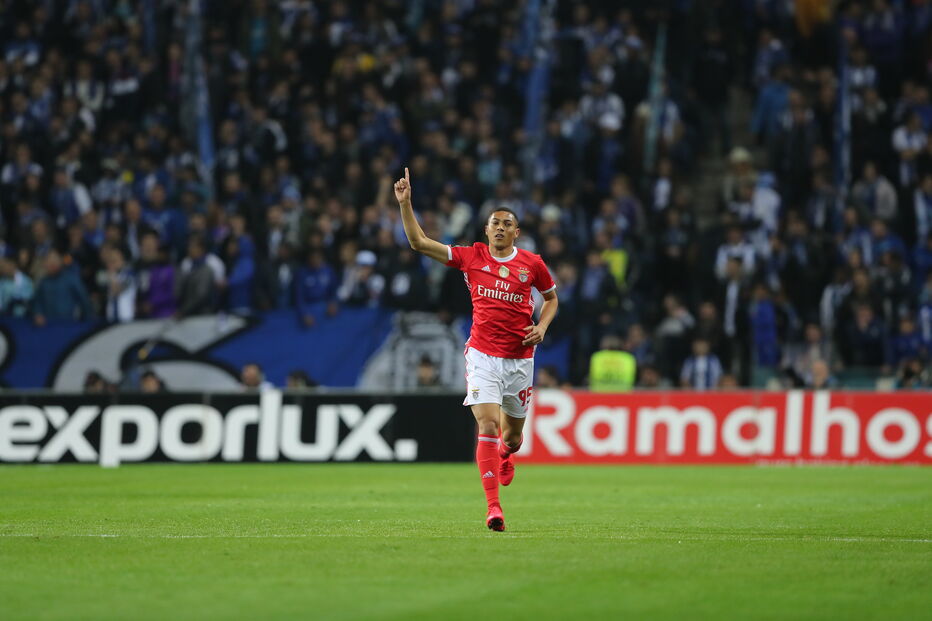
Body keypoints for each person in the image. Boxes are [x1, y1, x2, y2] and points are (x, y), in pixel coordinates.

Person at [394, 167, 558, 532]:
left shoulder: (532, 264)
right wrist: (406, 205)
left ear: (517, 231)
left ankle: (505, 455)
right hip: (482, 355)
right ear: (486, 230)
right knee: (486, 422)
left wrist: (542, 326)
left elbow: (551, 299)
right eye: (494, 223)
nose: (499, 227)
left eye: (507, 223)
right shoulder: (471, 257)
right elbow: (420, 242)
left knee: (513, 438)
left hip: (519, 361)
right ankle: (493, 507)